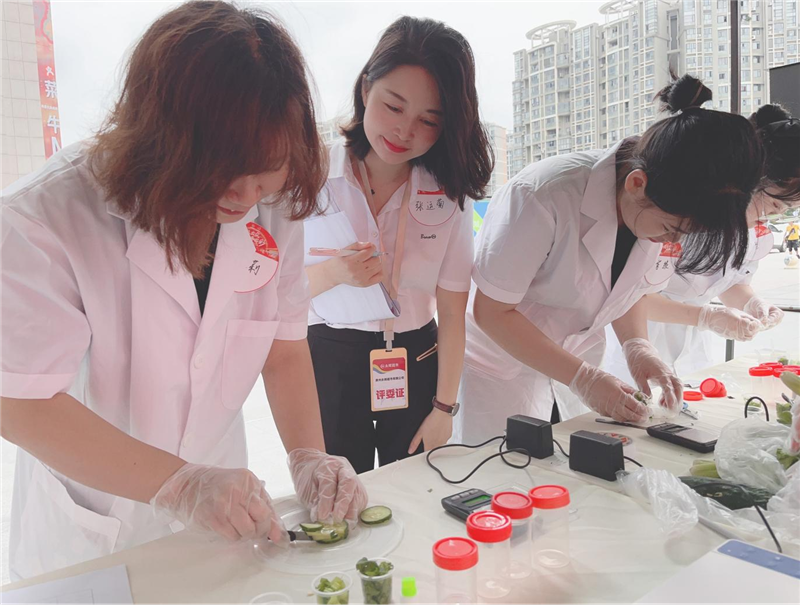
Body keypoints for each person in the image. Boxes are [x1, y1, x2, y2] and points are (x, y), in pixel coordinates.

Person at [0, 1, 366, 580]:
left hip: (221, 517)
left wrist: (309, 455)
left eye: (265, 169)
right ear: (160, 141)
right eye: (222, 167)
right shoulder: (44, 218)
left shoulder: (271, 207)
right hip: (94, 525)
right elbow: (20, 404)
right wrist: (178, 483)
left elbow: (282, 345)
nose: (246, 195)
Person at [452, 74, 764, 444]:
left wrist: (637, 345)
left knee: (571, 464)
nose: (673, 241)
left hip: (578, 360)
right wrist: (582, 377)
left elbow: (624, 290)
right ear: (636, 184)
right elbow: (492, 312)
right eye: (671, 228)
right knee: (500, 465)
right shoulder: (542, 196)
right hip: (500, 367)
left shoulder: (664, 202)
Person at [303, 16, 493, 473]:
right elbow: (275, 293)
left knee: (414, 486)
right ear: (366, 88)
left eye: (428, 120)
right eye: (393, 106)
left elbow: (452, 313)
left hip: (415, 355)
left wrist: (444, 408)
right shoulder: (309, 175)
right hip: (328, 353)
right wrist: (333, 273)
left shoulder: (449, 193)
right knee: (338, 490)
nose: (405, 131)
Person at [604, 104, 800, 380]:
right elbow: (630, 294)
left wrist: (752, 303)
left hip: (694, 349)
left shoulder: (751, 229)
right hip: (639, 337)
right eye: (775, 204)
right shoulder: (676, 214)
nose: (775, 215)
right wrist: (704, 317)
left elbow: (728, 281)